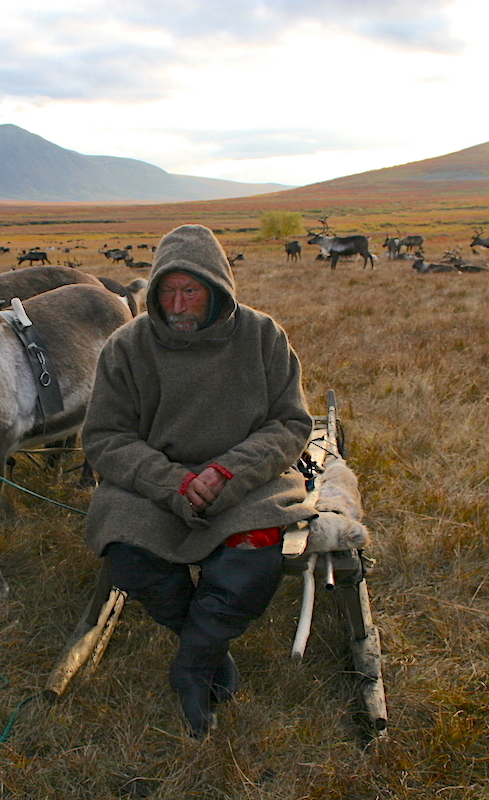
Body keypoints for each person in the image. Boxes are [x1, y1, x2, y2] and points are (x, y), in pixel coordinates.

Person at [82, 223, 315, 738]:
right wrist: (173, 483)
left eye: (192, 291)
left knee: (254, 548)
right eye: (168, 292)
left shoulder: (262, 335)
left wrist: (226, 472)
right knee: (126, 544)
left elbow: (292, 423)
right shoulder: (128, 346)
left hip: (247, 478)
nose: (179, 305)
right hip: (154, 482)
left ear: (217, 289)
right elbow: (105, 436)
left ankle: (192, 663)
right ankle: (207, 647)